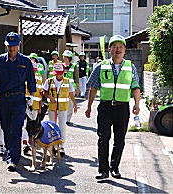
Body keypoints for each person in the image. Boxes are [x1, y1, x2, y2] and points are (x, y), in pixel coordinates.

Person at [85, 35, 141, 179]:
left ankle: (114, 167)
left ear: (124, 50)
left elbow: (135, 87)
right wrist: (89, 106)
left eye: (120, 47)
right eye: (115, 47)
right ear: (109, 49)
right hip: (105, 108)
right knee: (103, 138)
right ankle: (103, 170)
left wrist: (137, 104)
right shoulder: (100, 66)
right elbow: (93, 87)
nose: (118, 49)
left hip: (122, 108)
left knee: (119, 139)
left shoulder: (131, 67)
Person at [0, 32, 36, 172]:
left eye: (14, 46)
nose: (11, 49)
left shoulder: (25, 61)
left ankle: (13, 159)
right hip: (4, 99)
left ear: (19, 45)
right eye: (9, 46)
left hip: (19, 99)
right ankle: (9, 152)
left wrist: (32, 98)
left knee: (16, 128)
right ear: (6, 46)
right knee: (6, 128)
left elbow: (31, 81)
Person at [43, 63, 77, 156]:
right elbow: (44, 92)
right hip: (52, 108)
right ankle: (52, 145)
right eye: (56, 73)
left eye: (59, 73)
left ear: (63, 72)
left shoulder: (67, 81)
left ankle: (61, 146)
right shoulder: (49, 81)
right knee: (52, 126)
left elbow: (71, 93)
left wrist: (75, 104)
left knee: (62, 126)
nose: (58, 75)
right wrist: (50, 97)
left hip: (63, 107)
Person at [62, 50, 80, 127]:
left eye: (65, 57)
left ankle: (67, 120)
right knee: (62, 103)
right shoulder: (61, 65)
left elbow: (76, 77)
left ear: (69, 58)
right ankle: (62, 118)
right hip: (62, 87)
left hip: (71, 87)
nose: (64, 58)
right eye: (64, 57)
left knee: (70, 104)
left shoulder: (74, 66)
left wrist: (77, 87)